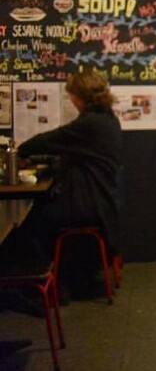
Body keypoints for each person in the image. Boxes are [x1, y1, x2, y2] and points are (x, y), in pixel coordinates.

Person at [16, 70, 123, 282]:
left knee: (28, 224)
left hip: (90, 205)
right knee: (37, 217)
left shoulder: (89, 123)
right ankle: (56, 282)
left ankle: (48, 286)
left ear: (79, 96)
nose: (71, 100)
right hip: (104, 201)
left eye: (72, 95)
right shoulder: (107, 119)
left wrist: (21, 150)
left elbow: (50, 139)